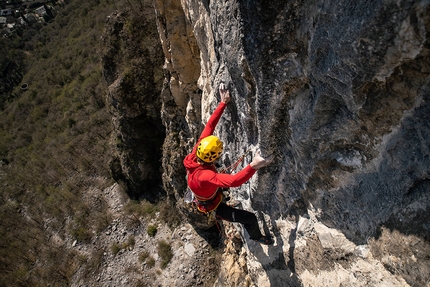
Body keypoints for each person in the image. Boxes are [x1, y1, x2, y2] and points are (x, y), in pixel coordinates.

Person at [183, 83, 274, 245]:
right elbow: (234, 182)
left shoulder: (195, 152)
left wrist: (223, 102)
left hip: (205, 191)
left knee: (221, 183)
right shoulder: (207, 176)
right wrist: (254, 165)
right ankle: (257, 237)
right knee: (249, 218)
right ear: (213, 158)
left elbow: (209, 126)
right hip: (212, 206)